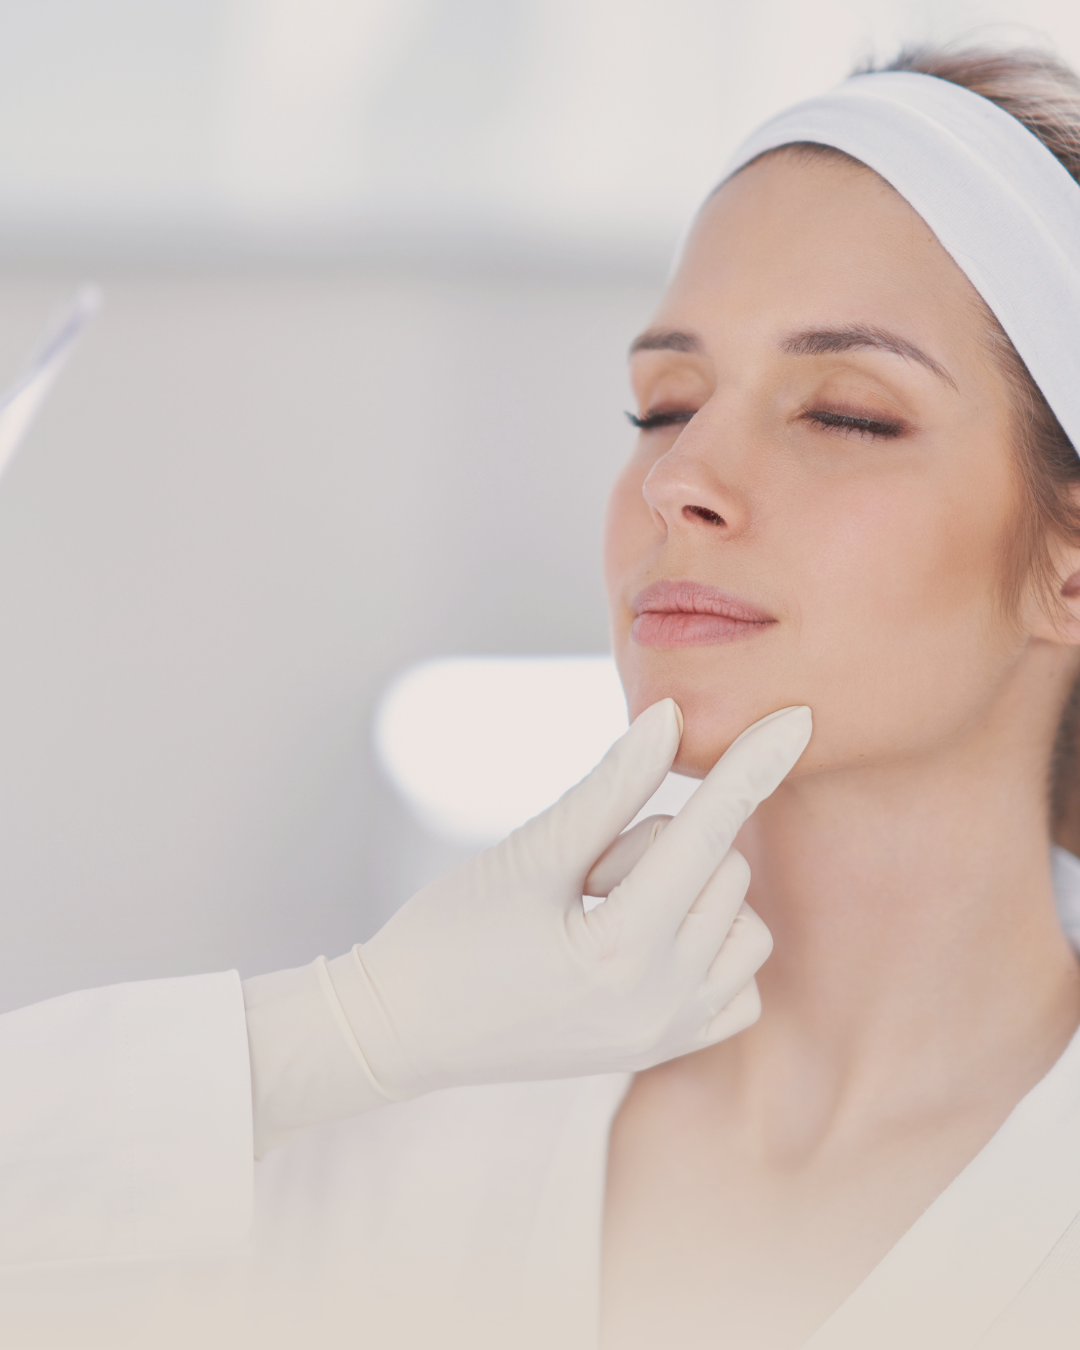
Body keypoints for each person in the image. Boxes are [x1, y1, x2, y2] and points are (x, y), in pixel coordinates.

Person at [7, 36, 1080, 1350]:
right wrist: (335, 1034)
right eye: (663, 402)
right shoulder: (414, 1142)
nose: (683, 475)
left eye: (845, 412)